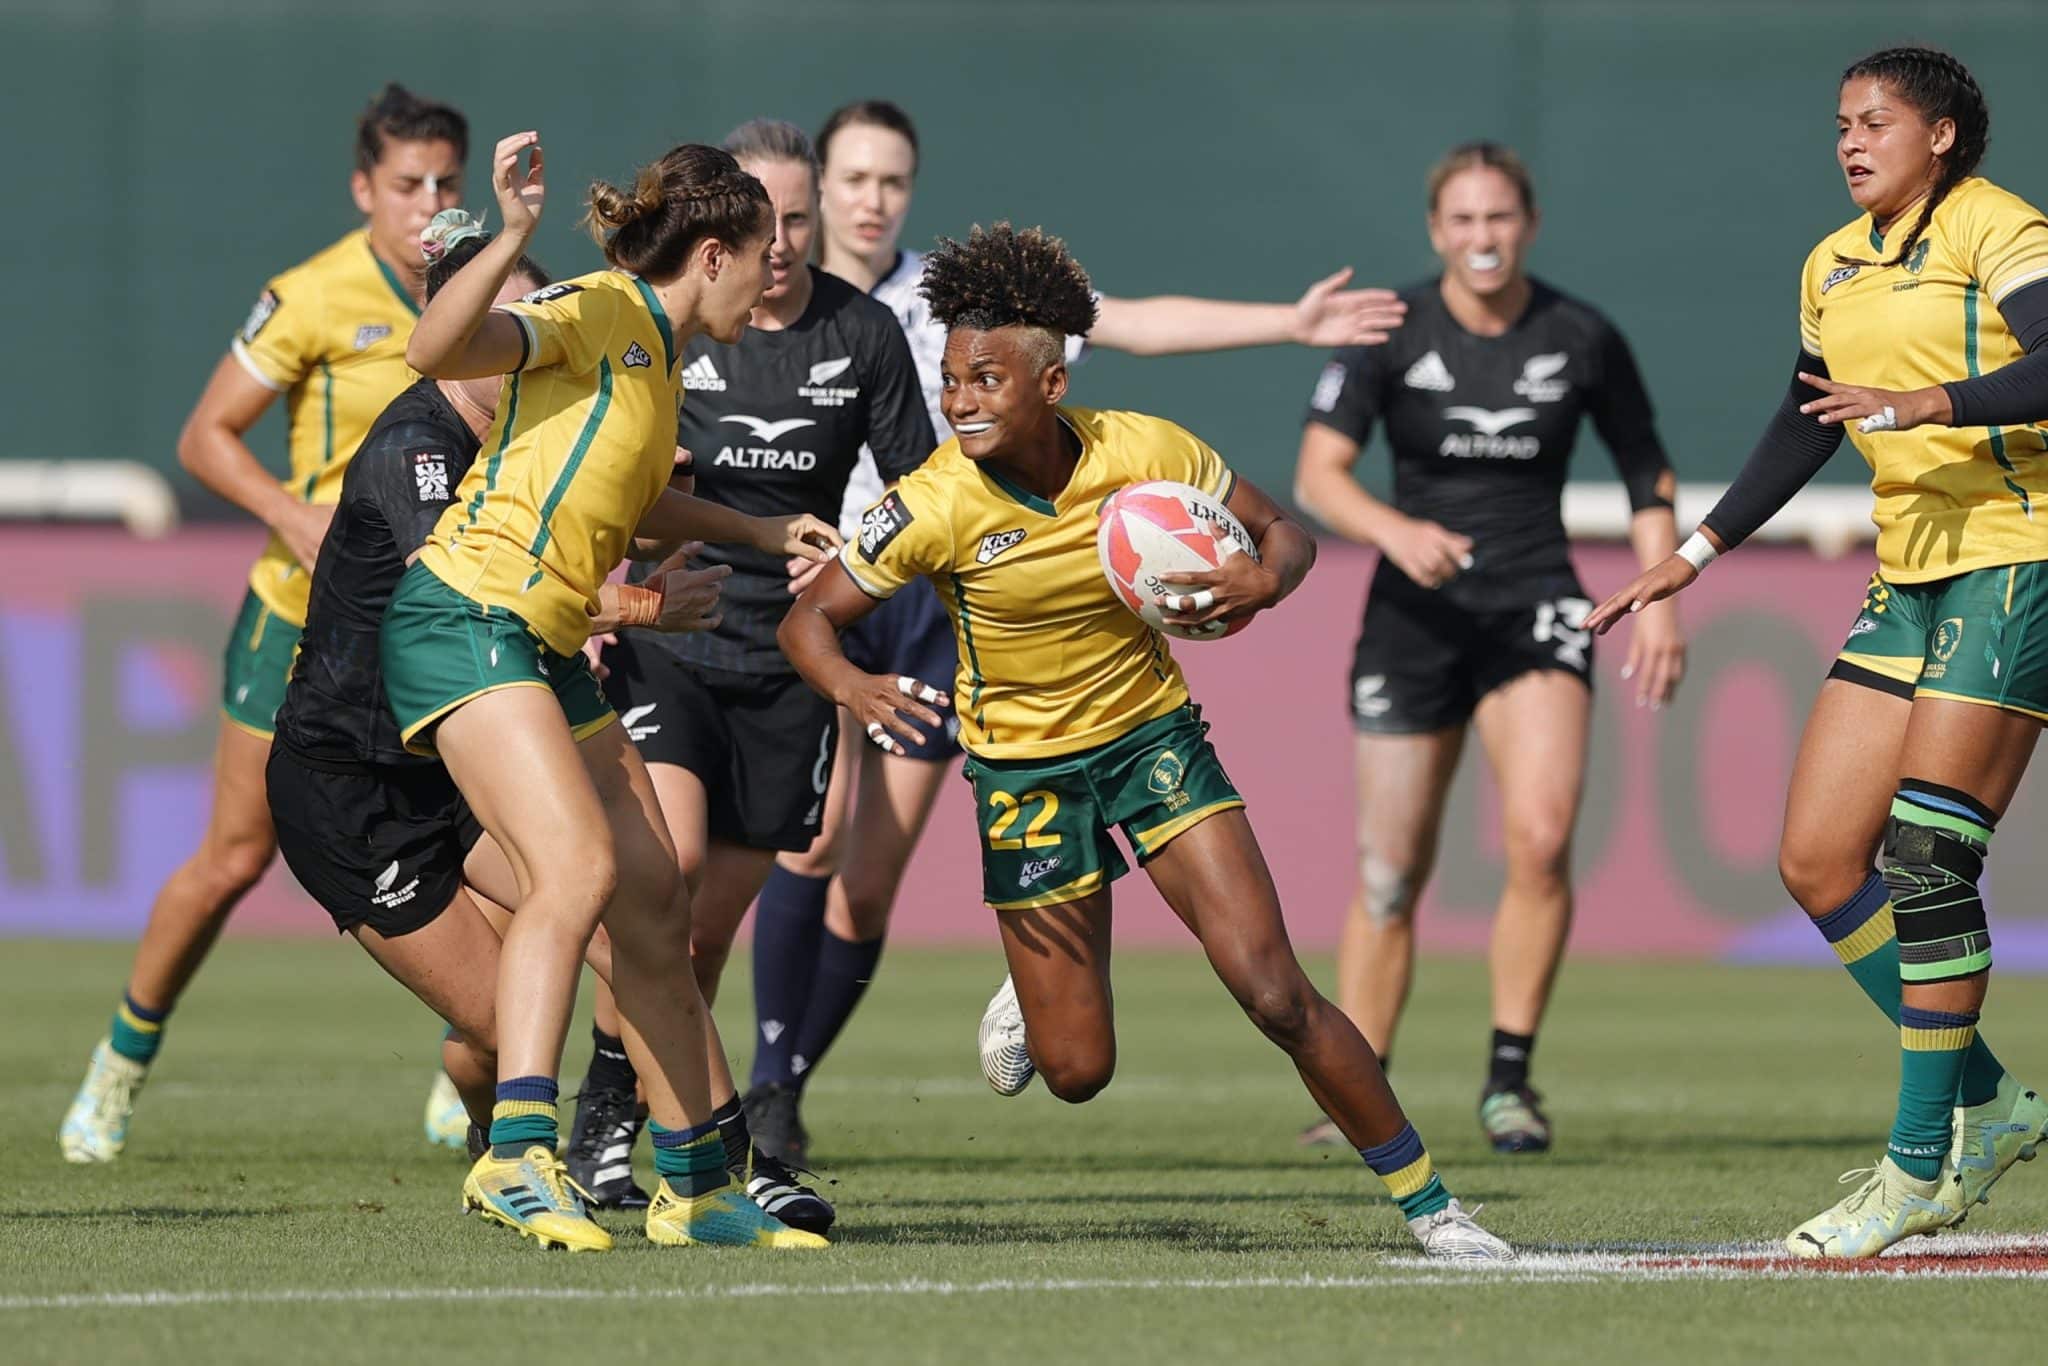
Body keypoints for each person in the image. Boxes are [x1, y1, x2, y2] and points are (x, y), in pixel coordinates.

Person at [780, 222, 1514, 1261]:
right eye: (950, 381)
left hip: (1150, 741)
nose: (961, 402)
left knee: (1273, 990)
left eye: (985, 379)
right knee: (1078, 1071)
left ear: (1050, 380)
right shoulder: (933, 501)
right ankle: (1034, 987)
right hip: (1024, 778)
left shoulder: (1145, 452)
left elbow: (1282, 534)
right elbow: (805, 620)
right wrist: (851, 684)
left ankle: (1433, 1208)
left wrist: (1266, 579)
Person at [727, 97, 1418, 1165]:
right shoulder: (774, 311)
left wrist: (1289, 322)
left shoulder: (968, 300)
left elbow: (1131, 322)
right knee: (811, 843)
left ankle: (807, 1071)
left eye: (889, 182)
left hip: (949, 605)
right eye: (853, 181)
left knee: (867, 876)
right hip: (860, 568)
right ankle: (773, 1079)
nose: (871, 202)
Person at [1587, 46, 2048, 1259]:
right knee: (1815, 860)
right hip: (1907, 574)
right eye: (1839, 124)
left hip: (2016, 554)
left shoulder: (1999, 230)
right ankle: (1995, 1104)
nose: (1849, 142)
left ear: (1939, 134)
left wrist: (1927, 403)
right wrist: (1691, 552)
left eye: (1875, 121)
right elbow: (1802, 421)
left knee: (1929, 859)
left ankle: (1912, 1174)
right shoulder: (1829, 263)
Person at [391, 132, 836, 1252]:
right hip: (463, 621)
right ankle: (516, 1155)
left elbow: (632, 512)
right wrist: (513, 236)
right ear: (712, 254)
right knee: (579, 867)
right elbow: (430, 347)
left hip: (532, 641)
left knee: (650, 900)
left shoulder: (658, 355)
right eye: (762, 247)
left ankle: (697, 1186)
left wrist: (753, 528)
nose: (777, 267)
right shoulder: (599, 306)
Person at [266, 216, 737, 1152]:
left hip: (451, 753)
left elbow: (600, 519)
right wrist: (641, 609)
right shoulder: (418, 448)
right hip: (354, 785)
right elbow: (459, 605)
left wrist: (682, 508)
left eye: (534, 323)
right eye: (501, 322)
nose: (521, 344)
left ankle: (730, 1165)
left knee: (635, 936)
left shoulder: (530, 437)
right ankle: (505, 1148)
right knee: (500, 1020)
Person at [61, 84, 468, 1164]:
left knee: (494, 836)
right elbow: (205, 437)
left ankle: (473, 1057)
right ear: (362, 189)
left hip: (438, 615)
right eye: (406, 185)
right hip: (304, 618)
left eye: (445, 184)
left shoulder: (482, 296)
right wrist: (296, 517)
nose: (429, 204)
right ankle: (120, 1062)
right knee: (234, 854)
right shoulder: (313, 296)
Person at [557, 120, 934, 1211]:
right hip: (670, 642)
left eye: (798, 218)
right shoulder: (669, 327)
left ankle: (644, 1115)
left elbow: (917, 493)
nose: (779, 241)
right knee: (655, 882)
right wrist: (607, 591)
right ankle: (608, 1119)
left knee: (705, 930)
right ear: (720, 232)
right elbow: (599, 474)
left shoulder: (859, 333)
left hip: (792, 663)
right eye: (759, 219)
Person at [1290, 142, 1685, 1154]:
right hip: (1410, 621)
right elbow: (1317, 477)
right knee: (1388, 872)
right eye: (1461, 221)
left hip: (1535, 606)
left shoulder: (1581, 334)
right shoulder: (1388, 331)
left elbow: (1646, 472)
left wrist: (1659, 599)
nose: (1481, 238)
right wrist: (1394, 531)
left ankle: (1508, 1076)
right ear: (1435, 232)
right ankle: (1361, 1087)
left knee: (1542, 837)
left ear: (1529, 224)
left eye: (1498, 218)